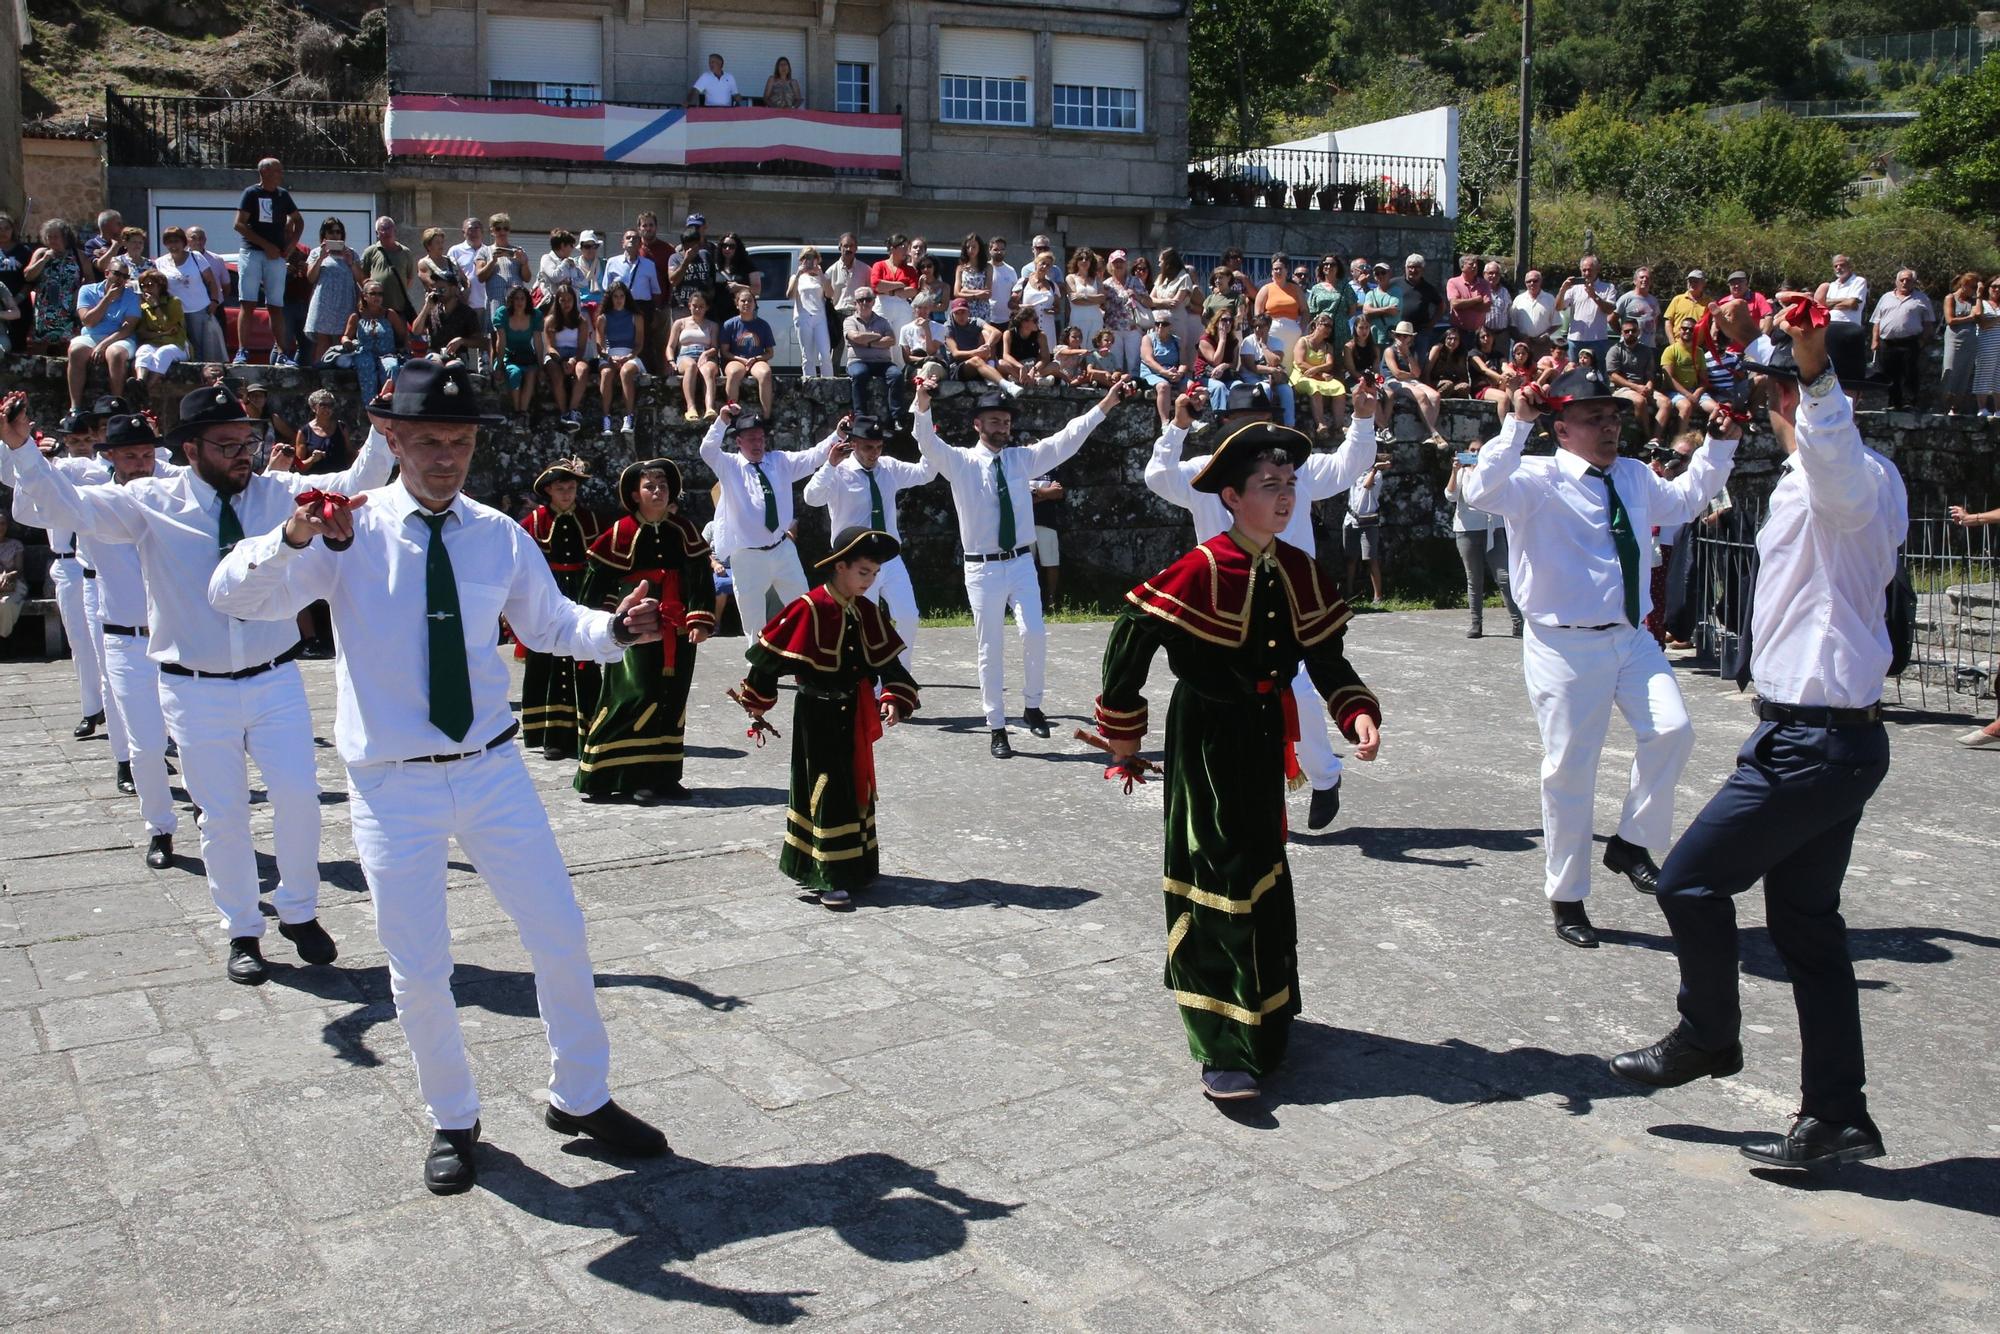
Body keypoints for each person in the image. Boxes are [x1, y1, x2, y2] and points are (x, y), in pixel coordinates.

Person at [204, 358, 672, 1193]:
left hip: (492, 768)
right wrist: (294, 537)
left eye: (459, 440)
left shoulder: (497, 532)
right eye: (428, 441)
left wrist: (616, 629)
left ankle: (581, 1094)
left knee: (560, 932)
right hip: (392, 784)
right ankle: (453, 1118)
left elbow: (551, 622)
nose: (447, 456)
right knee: (419, 964)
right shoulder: (345, 530)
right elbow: (233, 598)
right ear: (390, 438)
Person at [1611, 305, 1909, 1171]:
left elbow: (1836, 465)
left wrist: (1814, 378)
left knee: (1690, 884)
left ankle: (1708, 1035)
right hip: (1820, 741)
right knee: (1808, 934)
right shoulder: (1809, 480)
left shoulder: (1852, 480)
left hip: (1812, 747)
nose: (1772, 401)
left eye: (1776, 389)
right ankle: (1837, 1117)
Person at [3, 380, 395, 982]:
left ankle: (298, 910)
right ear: (190, 450)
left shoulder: (276, 492)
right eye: (227, 445)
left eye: (248, 440)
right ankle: (242, 928)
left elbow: (356, 484)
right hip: (193, 686)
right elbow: (66, 511)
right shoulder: (149, 500)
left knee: (298, 799)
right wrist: (24, 450)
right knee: (223, 814)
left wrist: (381, 424)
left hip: (274, 677)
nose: (244, 453)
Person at [1099, 419, 1382, 1101]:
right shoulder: (1201, 567)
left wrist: (1355, 711)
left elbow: (1325, 654)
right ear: (1231, 496)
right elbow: (1131, 635)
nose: (1284, 496)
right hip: (1206, 736)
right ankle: (1220, 1040)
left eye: (1289, 484)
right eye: (1268, 485)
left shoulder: (1297, 568)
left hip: (1262, 735)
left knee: (1261, 867)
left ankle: (1267, 1010)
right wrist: (1124, 733)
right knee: (1219, 872)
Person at [1461, 363, 1739, 949]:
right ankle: (1567, 897)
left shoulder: (1634, 475)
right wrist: (1517, 424)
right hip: (1562, 644)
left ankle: (1631, 842)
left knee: (1673, 731)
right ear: (1562, 430)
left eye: (1613, 418)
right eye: (1594, 419)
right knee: (1569, 770)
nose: (1610, 428)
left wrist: (1722, 442)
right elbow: (1479, 490)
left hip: (1631, 636)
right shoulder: (1535, 478)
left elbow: (1688, 499)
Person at [1147, 378, 1384, 828]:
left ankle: (1324, 775)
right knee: (1227, 706)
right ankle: (1244, 808)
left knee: (1300, 695)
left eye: (1264, 422)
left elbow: (1351, 464)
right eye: (1245, 423)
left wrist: (1363, 417)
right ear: (1226, 425)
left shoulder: (1296, 470)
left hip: (1289, 600)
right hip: (1226, 609)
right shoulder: (1203, 473)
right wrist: (1175, 427)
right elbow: (1157, 477)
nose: (1256, 433)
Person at [912, 368, 1131, 757]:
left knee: (1034, 633)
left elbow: (1067, 439)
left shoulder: (1020, 460)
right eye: (994, 421)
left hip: (1020, 563)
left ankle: (1032, 707)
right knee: (989, 646)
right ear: (978, 424)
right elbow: (926, 441)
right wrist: (924, 403)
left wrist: (1107, 403)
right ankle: (996, 725)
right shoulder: (960, 462)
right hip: (981, 569)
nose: (1002, 427)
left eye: (1007, 421)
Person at [731, 526, 920, 907]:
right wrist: (758, 700)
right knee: (825, 787)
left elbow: (890, 664)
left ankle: (855, 867)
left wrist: (894, 698)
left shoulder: (866, 611)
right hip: (817, 714)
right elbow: (767, 660)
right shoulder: (809, 607)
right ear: (839, 567)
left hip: (853, 710)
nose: (869, 581)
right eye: (863, 572)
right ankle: (826, 873)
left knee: (853, 788)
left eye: (874, 574)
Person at [573, 458, 716, 804]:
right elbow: (594, 586)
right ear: (635, 495)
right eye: (650, 486)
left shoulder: (683, 529)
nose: (657, 492)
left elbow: (699, 576)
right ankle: (619, 775)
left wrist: (699, 619)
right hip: (634, 628)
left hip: (677, 629)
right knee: (635, 695)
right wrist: (595, 629)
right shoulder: (619, 533)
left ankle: (664, 776)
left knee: (671, 698)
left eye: (663, 486)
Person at [802, 414, 936, 668]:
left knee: (908, 616)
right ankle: (869, 686)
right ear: (853, 444)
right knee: (864, 624)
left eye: (878, 447)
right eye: (867, 447)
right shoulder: (838, 471)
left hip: (889, 557)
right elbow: (812, 497)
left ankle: (900, 681)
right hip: (856, 562)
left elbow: (926, 472)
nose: (874, 453)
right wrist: (829, 465)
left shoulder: (888, 467)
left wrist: (928, 440)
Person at [702, 403, 838, 631]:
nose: (757, 443)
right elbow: (707, 451)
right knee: (754, 621)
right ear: (739, 442)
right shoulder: (729, 465)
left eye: (760, 438)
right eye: (751, 438)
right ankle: (758, 663)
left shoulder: (779, 461)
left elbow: (814, 456)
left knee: (805, 606)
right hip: (747, 556)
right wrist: (723, 421)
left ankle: (808, 656)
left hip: (782, 549)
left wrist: (839, 433)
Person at [518, 458, 605, 760]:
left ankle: (588, 730)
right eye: (560, 488)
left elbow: (601, 564)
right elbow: (522, 566)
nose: (567, 493)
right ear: (549, 491)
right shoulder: (533, 522)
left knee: (584, 659)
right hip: (548, 595)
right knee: (548, 662)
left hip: (581, 594)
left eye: (571, 487)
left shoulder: (590, 519)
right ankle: (551, 734)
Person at [1445, 448, 1522, 640]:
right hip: (1467, 528)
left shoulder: (1494, 473)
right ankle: (1476, 624)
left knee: (1504, 576)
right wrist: (1454, 471)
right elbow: (1451, 496)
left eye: (1479, 451)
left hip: (1493, 528)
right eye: (1471, 450)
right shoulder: (1462, 472)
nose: (1475, 454)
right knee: (1474, 578)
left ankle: (1518, 623)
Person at [232, 158, 303, 366]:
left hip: (276, 257)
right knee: (248, 302)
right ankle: (242, 351)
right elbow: (239, 224)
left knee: (275, 305)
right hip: (252, 253)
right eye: (277, 170)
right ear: (264, 172)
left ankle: (282, 354)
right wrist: (265, 245)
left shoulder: (283, 195)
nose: (281, 174)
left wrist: (291, 245)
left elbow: (298, 220)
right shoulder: (251, 193)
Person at [67, 257, 141, 409]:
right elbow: (88, 321)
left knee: (115, 354)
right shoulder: (87, 290)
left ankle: (117, 404)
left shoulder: (132, 296)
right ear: (107, 273)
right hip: (92, 334)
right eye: (117, 274)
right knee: (75, 351)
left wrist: (103, 345)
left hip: (119, 337)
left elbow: (128, 328)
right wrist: (107, 299)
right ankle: (75, 408)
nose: (121, 279)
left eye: (125, 277)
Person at [155, 226, 228, 364]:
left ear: (183, 242)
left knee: (202, 348)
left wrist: (214, 301)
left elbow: (211, 281)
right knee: (180, 346)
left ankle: (203, 375)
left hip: (199, 309)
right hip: (175, 312)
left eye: (176, 241)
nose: (173, 245)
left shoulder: (196, 257)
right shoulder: (159, 263)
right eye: (169, 242)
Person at [1869, 268, 1935, 411]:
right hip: (1887, 342)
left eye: (1909, 280)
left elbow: (1929, 322)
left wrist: (1922, 341)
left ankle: (1909, 403)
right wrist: (1875, 341)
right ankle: (1894, 403)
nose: (1905, 282)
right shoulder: (1886, 297)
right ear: (1896, 281)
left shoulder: (1922, 299)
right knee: (1890, 374)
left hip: (1910, 342)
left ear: (1914, 282)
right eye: (1902, 280)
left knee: (1910, 373)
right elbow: (1877, 321)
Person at [340, 281, 409, 409]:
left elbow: (403, 334)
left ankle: (388, 404)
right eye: (373, 293)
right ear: (365, 296)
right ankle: (370, 406)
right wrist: (346, 342)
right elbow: (346, 336)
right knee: (366, 365)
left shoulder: (389, 314)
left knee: (392, 367)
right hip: (365, 353)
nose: (377, 297)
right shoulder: (356, 316)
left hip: (387, 353)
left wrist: (405, 348)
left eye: (380, 294)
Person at [302, 218, 362, 362]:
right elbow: (310, 278)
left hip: (345, 301)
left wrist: (351, 263)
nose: (335, 235)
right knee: (323, 340)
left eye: (338, 232)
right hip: (324, 303)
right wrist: (321, 257)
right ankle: (320, 373)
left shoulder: (351, 253)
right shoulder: (317, 252)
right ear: (324, 234)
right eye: (331, 232)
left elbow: (362, 279)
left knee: (342, 339)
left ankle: (338, 374)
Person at [1607, 317, 1672, 447]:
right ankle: (1646, 437)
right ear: (1622, 333)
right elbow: (1612, 376)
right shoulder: (1615, 350)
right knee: (1639, 401)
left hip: (1643, 386)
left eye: (1633, 330)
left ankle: (1655, 438)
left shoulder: (1646, 351)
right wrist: (1635, 387)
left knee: (1666, 403)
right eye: (1627, 331)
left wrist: (1648, 386)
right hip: (1623, 388)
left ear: (1638, 332)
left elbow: (1650, 374)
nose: (1630, 333)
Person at [25, 218, 86, 355]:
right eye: (49, 237)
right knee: (40, 344)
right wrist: (44, 259)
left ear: (65, 237)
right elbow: (28, 275)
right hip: (46, 308)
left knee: (68, 345)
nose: (52, 240)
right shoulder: (41, 253)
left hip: (69, 307)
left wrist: (79, 293)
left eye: (56, 237)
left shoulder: (77, 255)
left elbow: (90, 279)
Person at [540, 280, 595, 430]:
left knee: (583, 370)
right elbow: (550, 346)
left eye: (569, 300)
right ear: (557, 301)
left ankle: (572, 410)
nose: (566, 303)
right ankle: (563, 412)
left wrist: (572, 360)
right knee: (556, 375)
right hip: (555, 356)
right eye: (562, 300)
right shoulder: (550, 321)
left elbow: (581, 347)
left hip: (574, 355)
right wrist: (561, 360)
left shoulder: (581, 321)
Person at [1382, 320, 1447, 447]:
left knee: (1435, 396)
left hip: (1411, 381)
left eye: (1405, 336)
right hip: (1393, 381)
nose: (1401, 338)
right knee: (1421, 395)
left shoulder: (1412, 353)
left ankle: (1428, 434)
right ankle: (1433, 433)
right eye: (1399, 335)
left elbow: (1417, 373)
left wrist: (1407, 355)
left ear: (1410, 338)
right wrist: (1411, 375)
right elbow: (1397, 373)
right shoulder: (1389, 351)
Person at [595, 280, 646, 438]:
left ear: (626, 297)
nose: (619, 299)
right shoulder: (602, 318)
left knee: (626, 372)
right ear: (610, 298)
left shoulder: (636, 317)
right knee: (606, 374)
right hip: (609, 355)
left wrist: (628, 357)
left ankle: (629, 416)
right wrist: (610, 358)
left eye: (621, 296)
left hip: (630, 355)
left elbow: (639, 344)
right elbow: (599, 346)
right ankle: (606, 418)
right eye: (615, 296)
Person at [1287, 311, 1349, 438]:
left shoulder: (1327, 346)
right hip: (1301, 376)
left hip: (1319, 376)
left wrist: (1316, 371)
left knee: (1340, 388)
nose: (1329, 329)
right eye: (1326, 325)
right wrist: (1320, 372)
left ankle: (1339, 426)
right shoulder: (1303, 341)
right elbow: (1300, 362)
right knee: (1314, 389)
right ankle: (1320, 424)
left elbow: (1329, 364)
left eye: (1331, 327)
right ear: (1316, 325)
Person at [842, 288, 902, 418]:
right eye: (860, 300)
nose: (864, 302)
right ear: (855, 303)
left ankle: (896, 418)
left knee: (897, 375)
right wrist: (877, 336)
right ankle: (860, 415)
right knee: (859, 374)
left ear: (873, 302)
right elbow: (855, 337)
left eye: (868, 299)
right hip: (858, 361)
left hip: (882, 362)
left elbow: (891, 340)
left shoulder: (883, 321)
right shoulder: (849, 321)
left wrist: (868, 342)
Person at [664, 288, 720, 423]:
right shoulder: (680, 323)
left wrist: (706, 354)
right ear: (689, 306)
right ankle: (691, 407)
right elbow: (670, 346)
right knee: (691, 366)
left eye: (701, 306)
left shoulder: (712, 325)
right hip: (685, 355)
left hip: (705, 355)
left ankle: (710, 408)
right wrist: (671, 361)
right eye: (695, 306)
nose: (697, 309)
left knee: (708, 370)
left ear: (706, 308)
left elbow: (714, 347)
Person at [721, 290, 779, 418]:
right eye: (743, 301)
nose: (746, 303)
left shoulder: (763, 325)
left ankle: (766, 416)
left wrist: (756, 358)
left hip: (756, 361)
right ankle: (731, 414)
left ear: (755, 304)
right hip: (736, 359)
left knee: (765, 374)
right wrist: (741, 360)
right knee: (733, 373)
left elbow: (770, 353)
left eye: (750, 301)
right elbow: (725, 352)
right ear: (737, 304)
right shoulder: (729, 325)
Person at [130, 269, 190, 390]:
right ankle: (140, 382)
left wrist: (156, 307)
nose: (147, 289)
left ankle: (146, 390)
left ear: (160, 285)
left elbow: (169, 326)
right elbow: (142, 333)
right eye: (143, 286)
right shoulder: (143, 306)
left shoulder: (174, 302)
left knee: (163, 353)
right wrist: (162, 334)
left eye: (150, 285)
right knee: (143, 351)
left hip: (176, 344)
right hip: (154, 343)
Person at [490, 284, 542, 419]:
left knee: (531, 374)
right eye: (516, 299)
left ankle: (522, 413)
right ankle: (517, 410)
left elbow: (538, 343)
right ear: (511, 301)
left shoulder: (535, 315)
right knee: (515, 373)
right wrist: (499, 365)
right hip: (508, 356)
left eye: (522, 299)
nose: (519, 302)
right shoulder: (502, 313)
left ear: (527, 301)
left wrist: (541, 366)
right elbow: (500, 342)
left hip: (527, 356)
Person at [1559, 256, 1618, 370]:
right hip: (1575, 340)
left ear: (1597, 269)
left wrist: (1594, 296)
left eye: (1590, 270)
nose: (1586, 273)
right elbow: (1559, 307)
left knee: (1598, 374)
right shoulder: (1574, 288)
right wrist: (1563, 289)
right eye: (1584, 270)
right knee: (1574, 374)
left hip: (1598, 340)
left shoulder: (1608, 287)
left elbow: (1609, 309)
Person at [1343, 459, 1387, 603]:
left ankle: (1378, 596)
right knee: (1350, 559)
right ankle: (1349, 593)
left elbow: (1367, 485)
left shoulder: (1377, 474)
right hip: (1350, 519)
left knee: (1371, 559)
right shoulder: (1353, 472)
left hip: (1368, 521)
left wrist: (1374, 469)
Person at [359, 216, 418, 323]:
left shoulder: (405, 252)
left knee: (399, 338)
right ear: (377, 233)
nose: (386, 231)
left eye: (389, 228)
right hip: (376, 310)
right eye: (383, 228)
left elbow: (409, 279)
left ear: (395, 230)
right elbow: (363, 278)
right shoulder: (370, 252)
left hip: (398, 308)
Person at [1941, 271, 1984, 414]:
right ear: (1964, 285)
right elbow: (1950, 320)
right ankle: (1944, 404)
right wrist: (1970, 318)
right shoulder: (1951, 298)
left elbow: (1978, 314)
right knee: (1950, 370)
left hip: (1970, 341)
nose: (1973, 290)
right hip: (1954, 339)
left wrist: (1978, 296)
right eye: (1972, 287)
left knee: (1964, 373)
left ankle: (1956, 407)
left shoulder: (1973, 301)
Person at [788, 247, 834, 378]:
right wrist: (798, 275)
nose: (808, 261)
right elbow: (790, 295)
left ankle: (828, 384)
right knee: (807, 356)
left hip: (820, 317)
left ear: (817, 260)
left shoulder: (822, 276)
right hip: (803, 317)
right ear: (801, 260)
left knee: (825, 354)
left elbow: (830, 294)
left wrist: (820, 274)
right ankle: (810, 386)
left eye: (812, 257)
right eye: (805, 258)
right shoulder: (796, 277)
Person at [1138, 308, 1190, 423]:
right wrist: (1164, 372)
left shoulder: (1177, 341)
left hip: (1172, 373)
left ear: (1170, 326)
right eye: (1157, 323)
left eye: (1164, 324)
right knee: (1164, 386)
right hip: (1153, 372)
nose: (1160, 327)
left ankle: (1189, 419)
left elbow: (1183, 362)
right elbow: (1148, 360)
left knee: (1191, 386)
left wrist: (1180, 373)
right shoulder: (1148, 339)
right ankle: (1165, 422)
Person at [868, 235, 918, 336]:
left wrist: (891, 291)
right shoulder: (879, 265)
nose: (906, 251)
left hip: (902, 307)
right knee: (881, 336)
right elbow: (877, 285)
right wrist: (900, 284)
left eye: (907, 247)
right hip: (882, 305)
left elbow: (913, 290)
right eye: (903, 247)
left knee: (901, 340)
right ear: (892, 248)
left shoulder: (910, 270)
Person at [999, 308, 1056, 386]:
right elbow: (1005, 355)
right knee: (1001, 363)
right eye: (1035, 320)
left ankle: (1026, 379)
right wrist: (1020, 367)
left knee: (1055, 365)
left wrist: (1034, 369)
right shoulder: (1009, 334)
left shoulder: (1041, 335)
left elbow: (1045, 358)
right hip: (1017, 366)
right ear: (1024, 322)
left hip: (1034, 366)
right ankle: (1032, 380)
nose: (1037, 322)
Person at [1509, 270, 1557, 363]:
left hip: (1542, 345)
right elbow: (1512, 323)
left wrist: (1546, 334)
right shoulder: (1518, 299)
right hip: (1523, 344)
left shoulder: (1550, 298)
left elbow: (1557, 322)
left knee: (1542, 372)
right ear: (1525, 283)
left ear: (1541, 281)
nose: (1532, 283)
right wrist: (1520, 336)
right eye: (1528, 281)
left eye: (1535, 281)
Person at [1446, 253, 1491, 338]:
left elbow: (1487, 307)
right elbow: (1455, 304)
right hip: (1459, 332)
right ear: (1462, 267)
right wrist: (1476, 300)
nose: (1475, 266)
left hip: (1478, 333)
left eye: (1476, 264)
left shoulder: (1484, 284)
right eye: (1471, 264)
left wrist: (1464, 305)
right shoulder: (1453, 282)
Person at [1615, 266, 1662, 349]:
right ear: (1635, 281)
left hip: (1649, 347)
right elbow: (1611, 319)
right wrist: (1623, 333)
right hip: (1631, 346)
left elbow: (1656, 320)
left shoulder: (1654, 300)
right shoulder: (1626, 298)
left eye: (1647, 278)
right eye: (1641, 277)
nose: (1645, 279)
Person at [1816, 254, 1869, 326]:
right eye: (1836, 266)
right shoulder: (1832, 285)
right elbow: (1825, 305)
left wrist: (1831, 304)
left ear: (1849, 266)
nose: (1838, 268)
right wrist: (1844, 300)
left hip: (1849, 325)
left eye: (1842, 265)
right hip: (1830, 325)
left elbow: (1851, 303)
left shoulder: (1858, 281)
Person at [1975, 275, 2000, 417]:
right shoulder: (1982, 304)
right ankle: (1982, 408)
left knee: (1999, 378)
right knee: (1984, 375)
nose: (1997, 289)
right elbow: (1983, 324)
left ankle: (1998, 410)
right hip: (1986, 344)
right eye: (1994, 286)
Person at [1425, 324, 1473, 397]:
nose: (1452, 342)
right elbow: (1426, 371)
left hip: (1452, 383)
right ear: (1444, 339)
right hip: (1435, 382)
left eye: (1455, 339)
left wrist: (1465, 386)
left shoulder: (1460, 353)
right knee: (1448, 385)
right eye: (1449, 339)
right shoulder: (1437, 349)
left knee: (1464, 387)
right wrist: (1428, 390)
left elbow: (1463, 374)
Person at [956, 233, 995, 325]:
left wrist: (966, 291)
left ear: (979, 248)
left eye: (974, 247)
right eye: (968, 247)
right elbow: (956, 293)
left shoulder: (987, 267)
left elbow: (987, 293)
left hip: (982, 310)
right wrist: (977, 294)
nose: (971, 250)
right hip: (965, 309)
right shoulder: (961, 268)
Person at [0, 504, 24, 644]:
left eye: (3, 523)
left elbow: (19, 570)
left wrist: (8, 576)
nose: (0, 527)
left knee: (4, 604)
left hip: (14, 582)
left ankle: (3, 638)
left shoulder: (15, 544)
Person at [1663, 270, 1711, 335]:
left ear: (1704, 283)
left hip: (1698, 344)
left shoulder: (1709, 303)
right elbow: (1668, 322)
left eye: (1696, 281)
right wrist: (1673, 343)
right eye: (1690, 281)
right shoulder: (1677, 299)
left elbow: (1713, 324)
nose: (1692, 284)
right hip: (1678, 342)